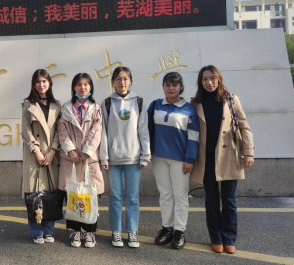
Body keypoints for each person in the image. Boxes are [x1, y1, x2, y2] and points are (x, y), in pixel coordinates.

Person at [191, 65, 255, 254]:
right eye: (205, 79)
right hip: (206, 158)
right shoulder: (196, 103)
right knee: (211, 200)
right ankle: (216, 237)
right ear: (200, 82)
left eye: (212, 78)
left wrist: (248, 152)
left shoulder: (231, 99)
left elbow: (244, 126)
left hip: (228, 156)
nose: (209, 82)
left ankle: (229, 237)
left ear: (218, 79)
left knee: (229, 200)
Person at [147, 72, 199, 250]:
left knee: (180, 195)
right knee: (165, 194)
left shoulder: (189, 108)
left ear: (181, 87)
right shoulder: (155, 105)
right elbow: (146, 130)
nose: (171, 88)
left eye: (174, 85)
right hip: (158, 157)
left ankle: (179, 231)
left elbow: (194, 136)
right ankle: (167, 229)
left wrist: (190, 158)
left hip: (180, 159)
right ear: (163, 86)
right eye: (167, 85)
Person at [100, 66, 150, 248]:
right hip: (113, 159)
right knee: (114, 197)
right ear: (113, 81)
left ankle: (132, 231)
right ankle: (116, 231)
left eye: (125, 79)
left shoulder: (139, 102)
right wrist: (104, 157)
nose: (122, 82)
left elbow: (143, 130)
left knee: (132, 197)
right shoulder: (107, 103)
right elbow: (103, 132)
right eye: (118, 79)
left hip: (133, 158)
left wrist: (145, 155)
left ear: (130, 81)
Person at [58, 73, 104, 248]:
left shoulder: (96, 108)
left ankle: (90, 232)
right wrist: (70, 150)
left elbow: (97, 131)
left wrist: (87, 152)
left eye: (86, 84)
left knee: (90, 196)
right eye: (78, 84)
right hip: (70, 160)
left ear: (90, 87)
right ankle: (75, 231)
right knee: (72, 195)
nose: (82, 87)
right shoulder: (66, 108)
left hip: (88, 160)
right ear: (73, 87)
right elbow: (62, 131)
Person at [21, 69, 61, 244]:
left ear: (50, 83)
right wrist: (36, 151)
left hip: (52, 155)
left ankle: (49, 230)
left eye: (44, 81)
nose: (41, 84)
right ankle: (36, 231)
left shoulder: (56, 105)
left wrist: (52, 151)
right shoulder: (27, 105)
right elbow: (25, 131)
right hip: (34, 155)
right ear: (33, 84)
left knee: (51, 193)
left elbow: (60, 131)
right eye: (38, 81)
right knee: (34, 194)